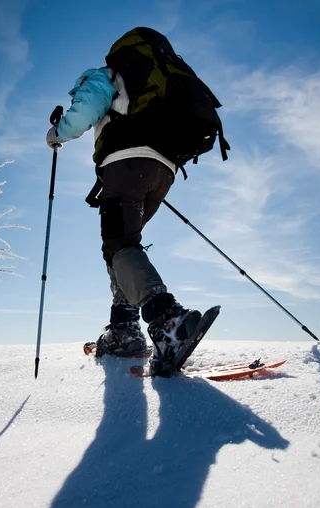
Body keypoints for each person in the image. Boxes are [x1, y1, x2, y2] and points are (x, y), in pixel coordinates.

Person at [45, 29, 212, 377]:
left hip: (127, 163)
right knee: (123, 247)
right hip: (164, 168)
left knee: (119, 245)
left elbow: (88, 106)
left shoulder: (107, 74)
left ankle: (168, 321)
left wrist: (57, 133)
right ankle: (124, 329)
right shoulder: (160, 75)